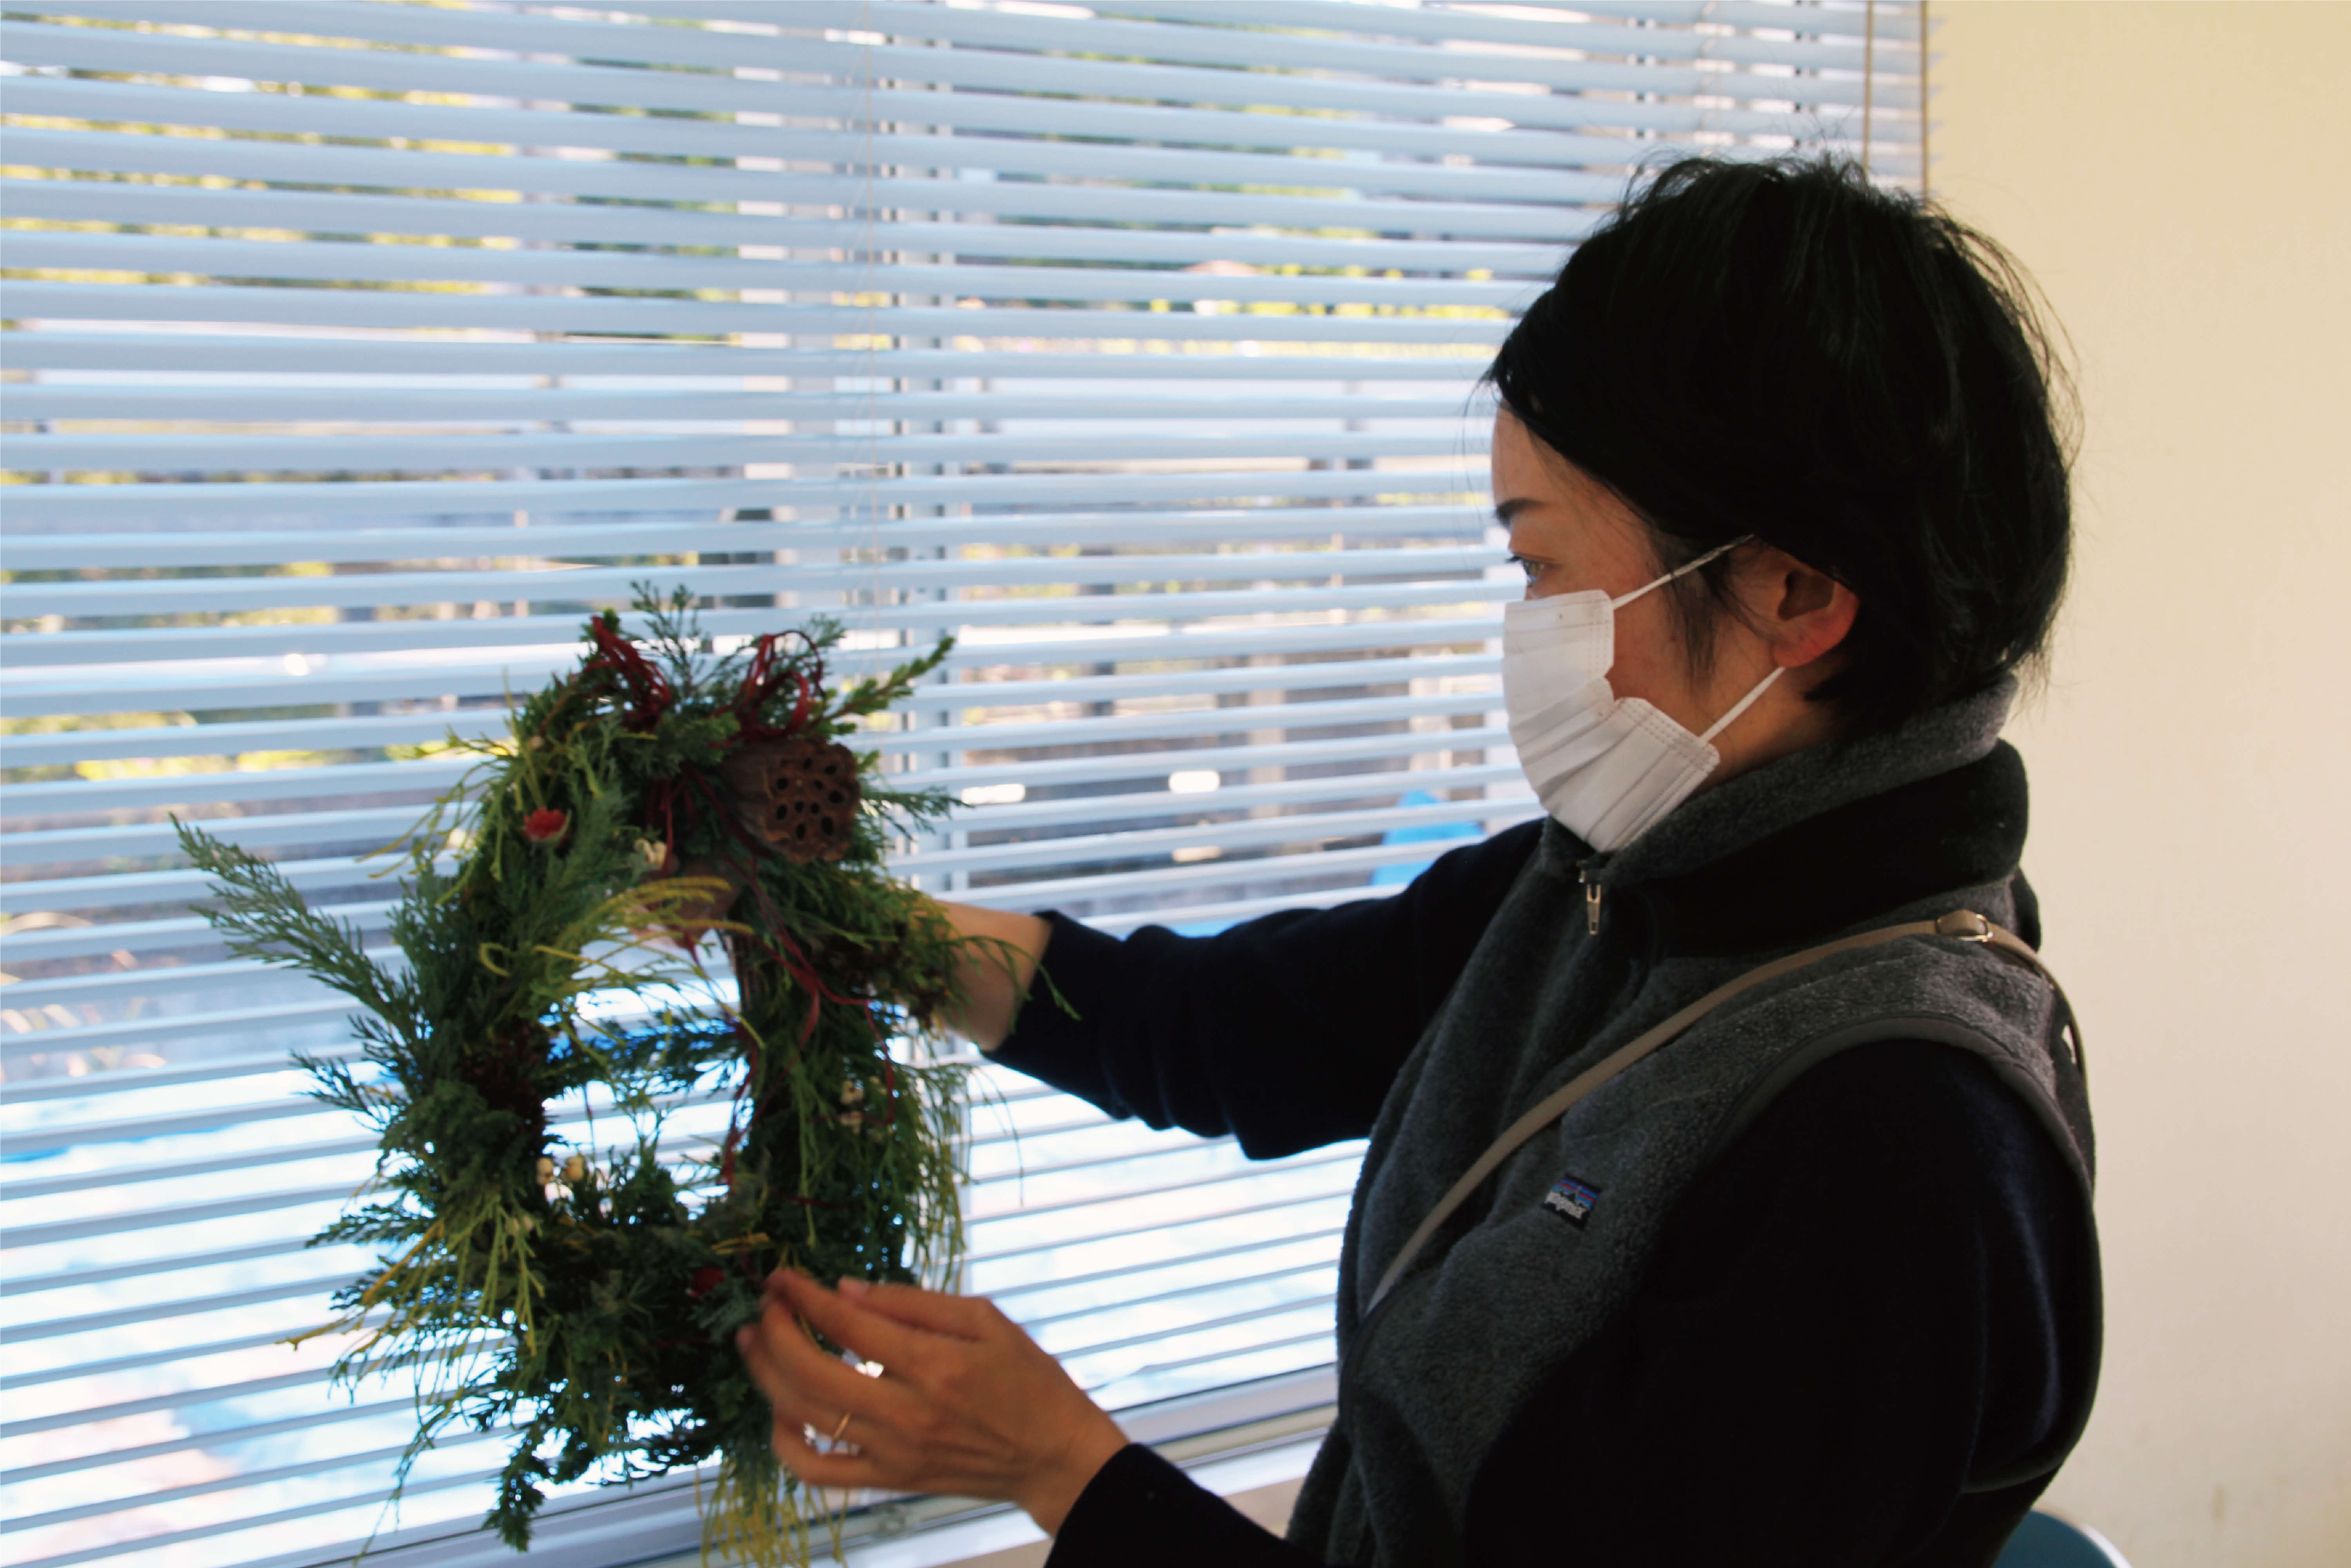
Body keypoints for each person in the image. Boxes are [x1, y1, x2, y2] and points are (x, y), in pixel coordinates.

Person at [735, 156, 2101, 1568]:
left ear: (1793, 591)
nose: (1520, 626)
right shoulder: (1622, 880)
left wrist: (1063, 1471)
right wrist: (830, 927)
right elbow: (1236, 1029)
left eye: (1542, 567)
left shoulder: (1894, 1146)